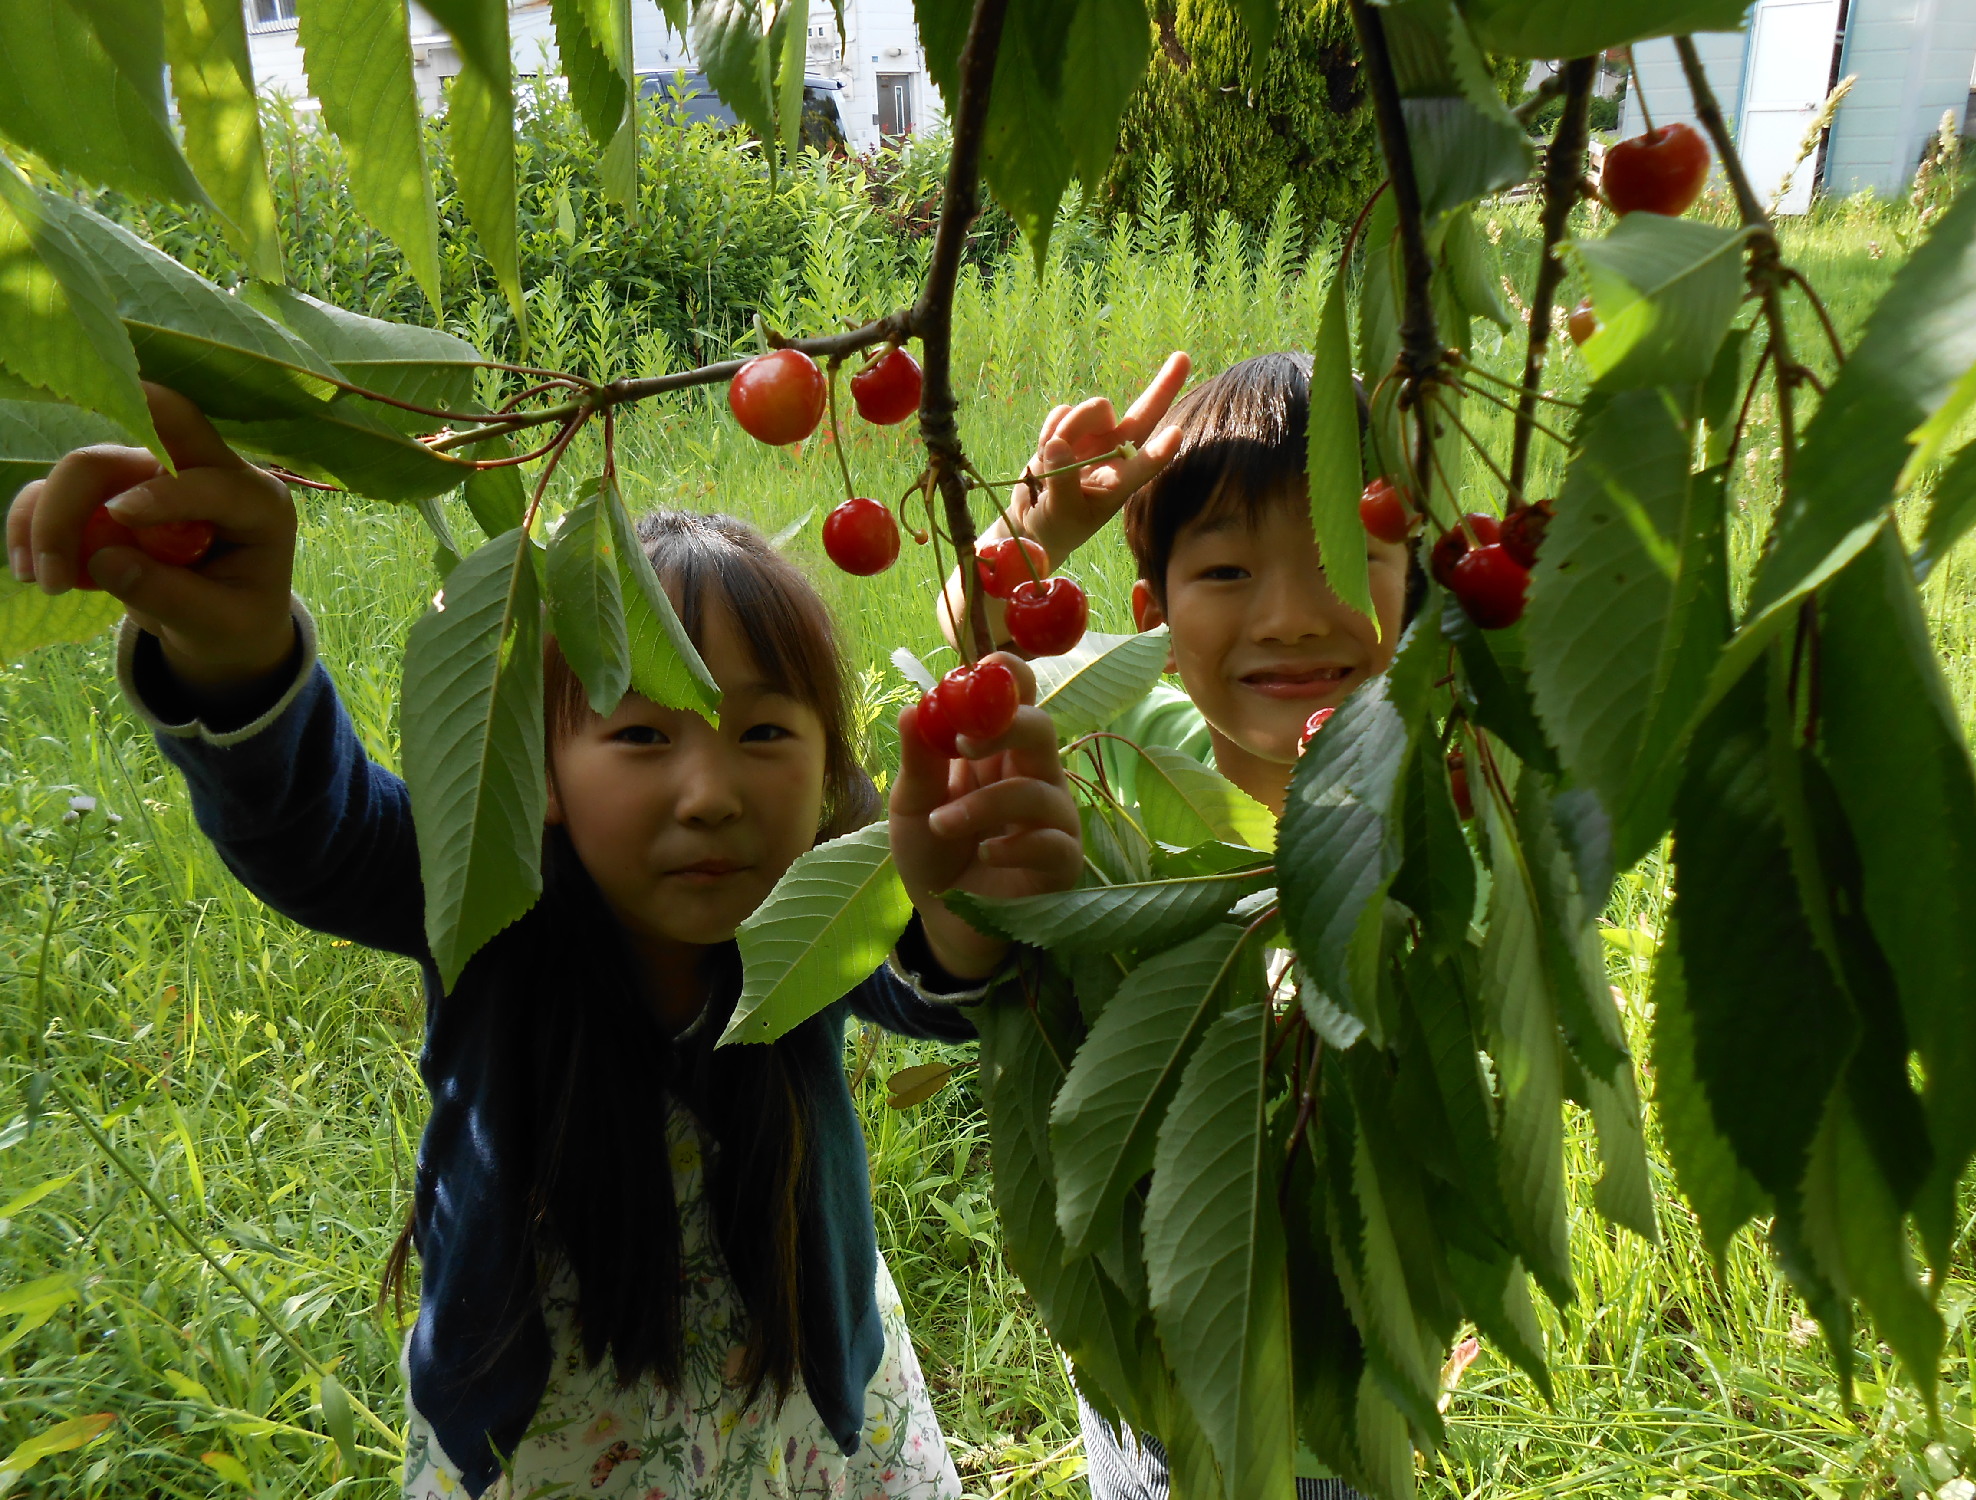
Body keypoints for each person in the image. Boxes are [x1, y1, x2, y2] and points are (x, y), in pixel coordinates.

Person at [10, 386, 1086, 1500]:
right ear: (540, 772)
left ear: (824, 769)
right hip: (556, 1435)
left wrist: (959, 929)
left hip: (797, 1400)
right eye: (637, 733)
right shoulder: (492, 895)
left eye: (763, 730)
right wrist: (239, 660)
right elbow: (314, 831)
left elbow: (908, 972)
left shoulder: (804, 896)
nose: (709, 791)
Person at [939, 349, 1419, 1500]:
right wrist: (1028, 537)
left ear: (1421, 581)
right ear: (1150, 613)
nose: (1295, 616)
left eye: (1351, 557)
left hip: (1348, 1361)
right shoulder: (1131, 737)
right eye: (1226, 570)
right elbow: (978, 663)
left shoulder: (1440, 784)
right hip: (1154, 1353)